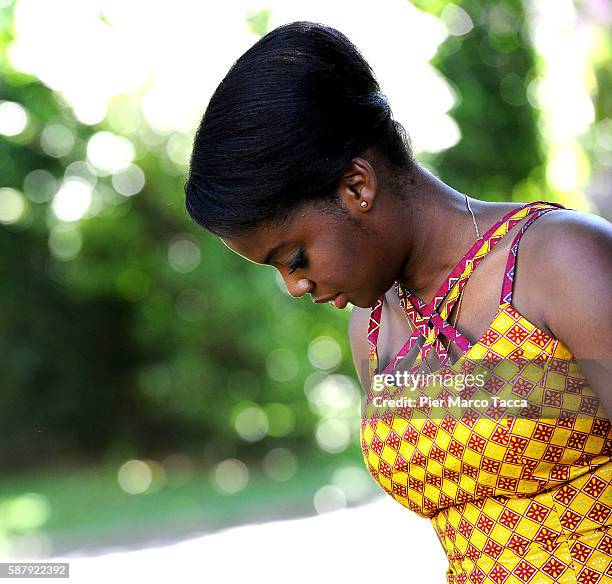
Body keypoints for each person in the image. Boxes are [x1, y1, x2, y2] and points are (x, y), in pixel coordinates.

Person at [184, 21, 612, 584]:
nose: (294, 287)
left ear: (356, 186)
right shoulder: (373, 327)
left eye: (295, 258)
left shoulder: (560, 261)